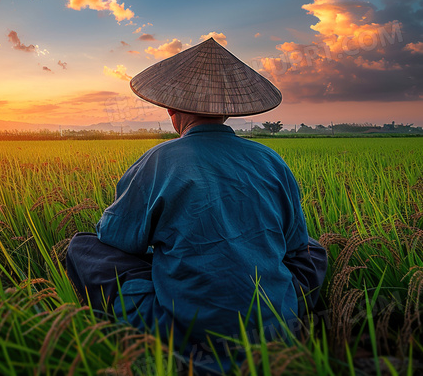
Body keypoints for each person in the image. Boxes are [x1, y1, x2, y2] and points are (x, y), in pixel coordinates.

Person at [65, 38, 327, 373]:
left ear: (171, 111)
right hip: (273, 325)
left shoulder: (158, 161)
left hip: (184, 333)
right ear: (226, 111)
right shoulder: (272, 161)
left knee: (84, 248)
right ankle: (281, 322)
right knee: (314, 251)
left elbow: (116, 238)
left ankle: (151, 339)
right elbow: (295, 247)